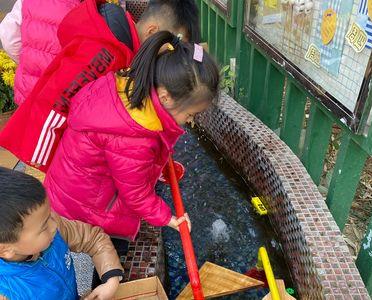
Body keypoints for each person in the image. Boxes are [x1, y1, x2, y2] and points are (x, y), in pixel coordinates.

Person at [45, 31, 219, 241]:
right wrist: (169, 218)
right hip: (84, 210)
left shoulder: (127, 85)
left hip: (71, 188)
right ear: (165, 97)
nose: (190, 121)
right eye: (190, 114)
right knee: (111, 251)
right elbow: (135, 194)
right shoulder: (135, 137)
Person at [0, 0, 200, 172]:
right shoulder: (105, 53)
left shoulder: (123, 39)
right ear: (152, 31)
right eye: (170, 48)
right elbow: (57, 102)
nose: (170, 58)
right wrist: (48, 161)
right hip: (47, 143)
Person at [0, 167, 124, 300]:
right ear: (5, 249)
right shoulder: (6, 293)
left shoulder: (52, 226)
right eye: (44, 227)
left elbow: (93, 238)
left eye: (49, 215)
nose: (54, 226)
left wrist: (111, 279)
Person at [0, 0, 81, 105]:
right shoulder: (83, 5)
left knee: (29, 119)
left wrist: (26, 59)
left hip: (30, 90)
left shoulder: (25, 2)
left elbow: (8, 37)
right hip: (65, 92)